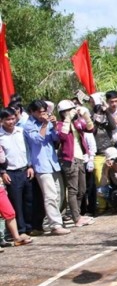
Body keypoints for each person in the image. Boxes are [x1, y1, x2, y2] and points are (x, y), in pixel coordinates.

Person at [24, 100, 70, 235]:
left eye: (44, 112)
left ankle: (50, 220)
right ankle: (55, 225)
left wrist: (54, 124)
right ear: (32, 112)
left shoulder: (48, 122)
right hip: (41, 164)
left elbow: (55, 139)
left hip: (53, 162)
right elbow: (37, 139)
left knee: (59, 194)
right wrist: (44, 124)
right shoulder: (29, 125)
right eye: (39, 112)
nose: (42, 114)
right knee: (50, 195)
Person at [56, 100, 95, 227]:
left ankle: (77, 214)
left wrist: (86, 116)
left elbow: (90, 129)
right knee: (73, 190)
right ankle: (76, 218)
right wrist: (67, 118)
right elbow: (62, 136)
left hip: (80, 158)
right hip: (69, 160)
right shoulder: (60, 124)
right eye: (69, 110)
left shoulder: (76, 124)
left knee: (82, 189)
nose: (73, 111)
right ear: (63, 113)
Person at [0, 107, 35, 235]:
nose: (11, 121)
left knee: (29, 201)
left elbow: (28, 150)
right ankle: (21, 230)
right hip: (11, 173)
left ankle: (29, 227)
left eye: (13, 118)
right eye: (7, 119)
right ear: (2, 120)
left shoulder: (21, 131)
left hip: (25, 170)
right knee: (17, 203)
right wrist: (2, 173)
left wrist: (30, 166)